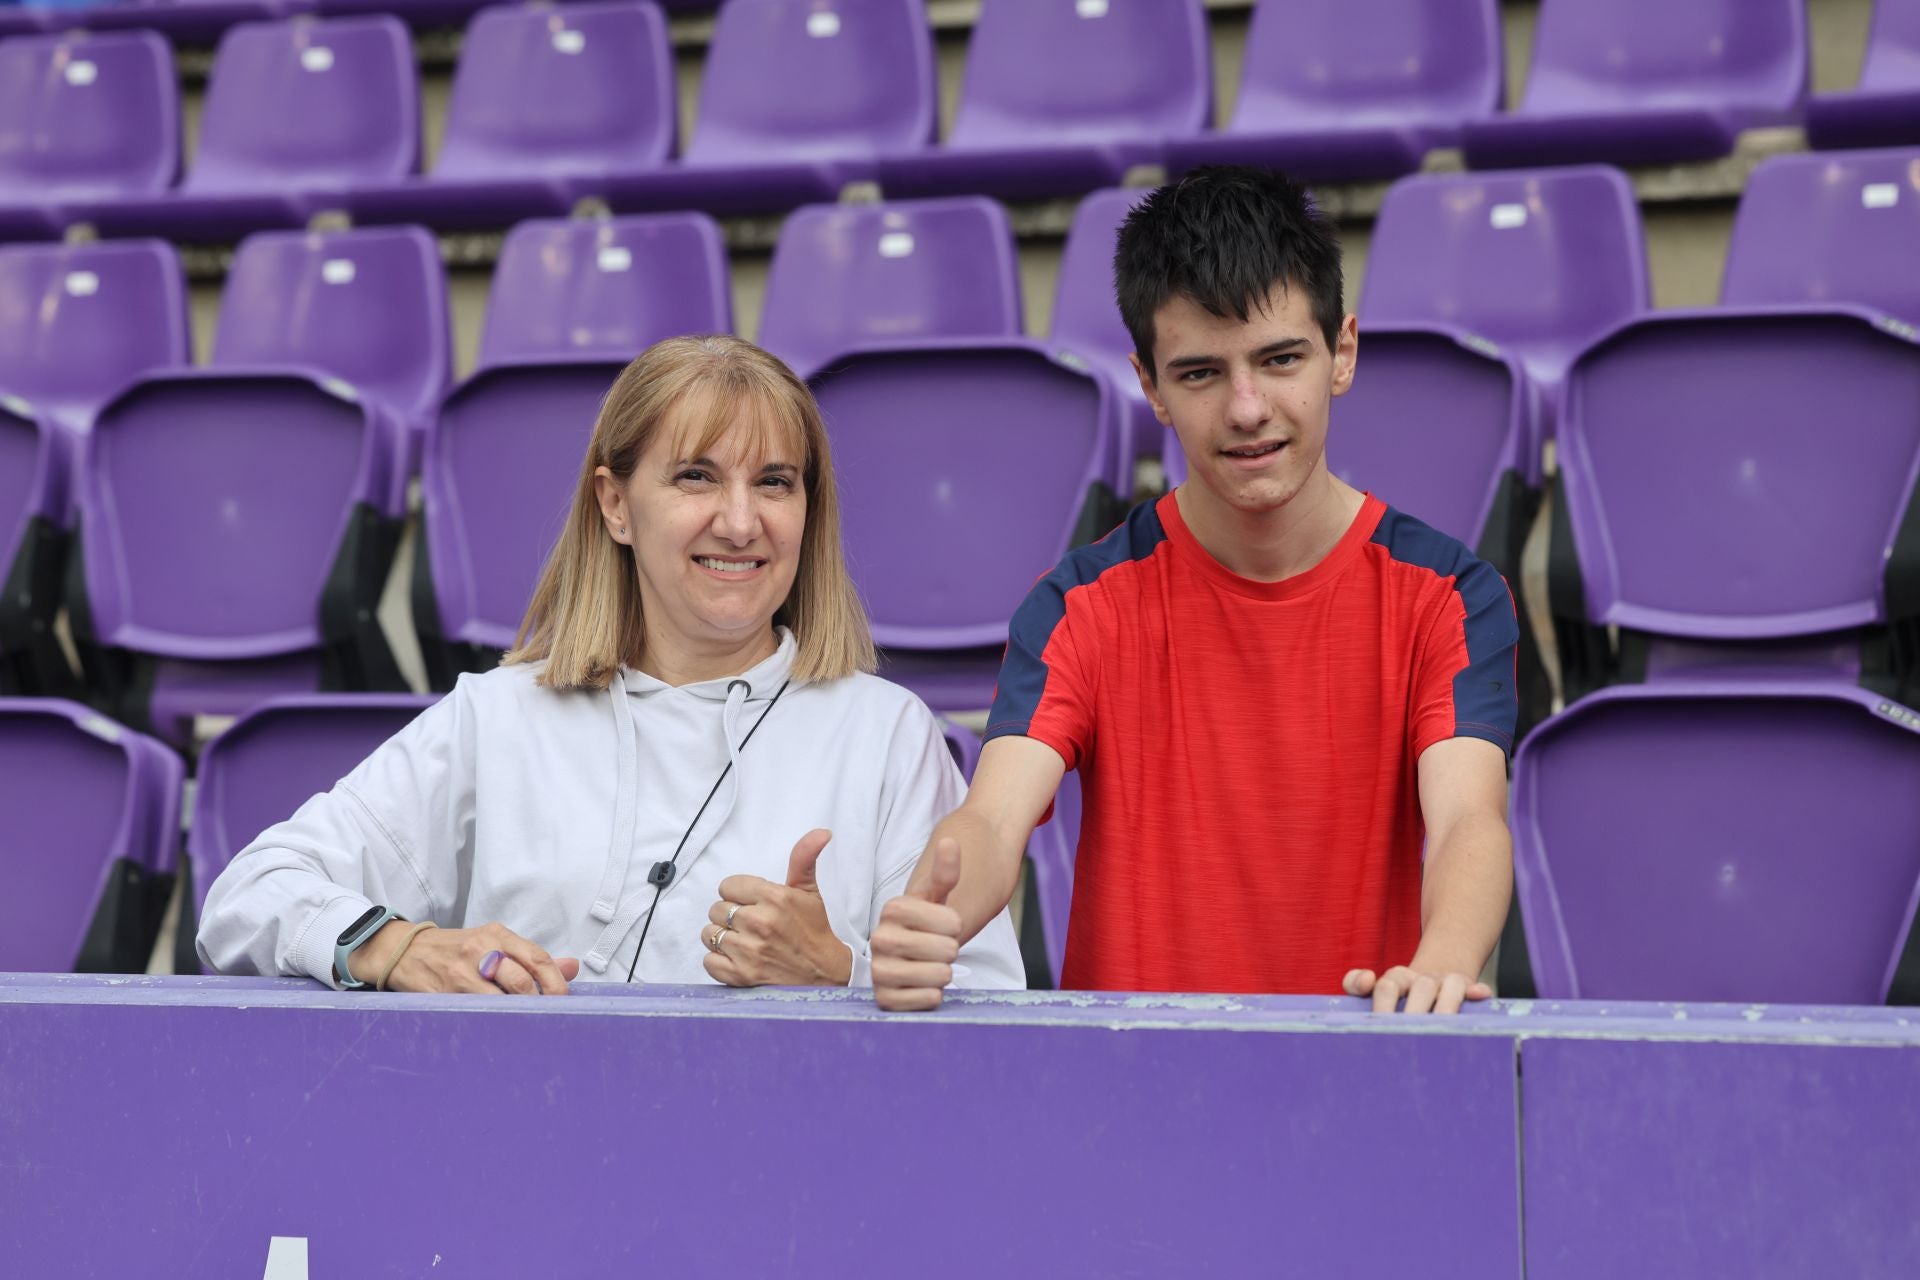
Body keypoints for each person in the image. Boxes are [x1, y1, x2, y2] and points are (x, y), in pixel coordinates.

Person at [870, 166, 1519, 1015]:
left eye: (1280, 359)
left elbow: (1470, 819)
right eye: (1202, 373)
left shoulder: (1449, 597)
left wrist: (1442, 959)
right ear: (1151, 387)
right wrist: (939, 912)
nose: (1248, 408)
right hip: (1129, 1102)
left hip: (1367, 1073)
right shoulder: (1079, 604)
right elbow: (994, 818)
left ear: (1343, 354)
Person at [198, 335, 1023, 995]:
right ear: (616, 504)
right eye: (697, 477)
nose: (741, 522)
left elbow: (985, 1011)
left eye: (775, 483)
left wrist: (838, 973)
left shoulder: (886, 735)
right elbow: (246, 897)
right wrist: (399, 945)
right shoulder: (497, 718)